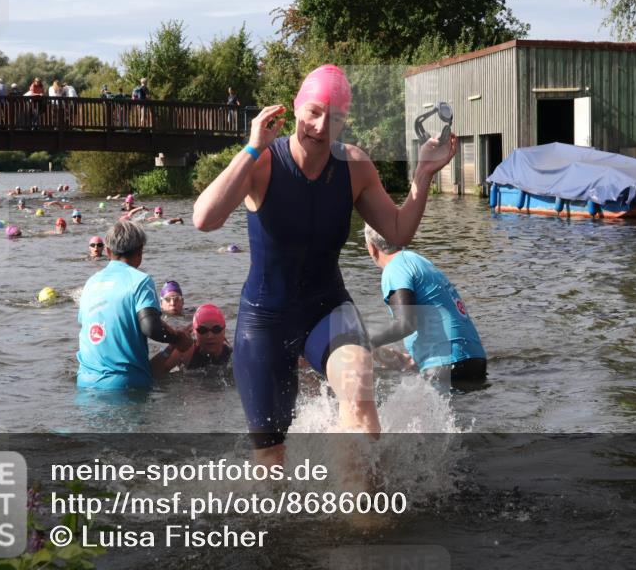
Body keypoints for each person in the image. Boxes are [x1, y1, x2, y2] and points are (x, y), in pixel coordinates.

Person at [193, 63, 456, 464]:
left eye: (333, 118)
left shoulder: (354, 167)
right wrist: (251, 148)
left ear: (344, 121)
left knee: (359, 389)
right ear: (295, 108)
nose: (320, 126)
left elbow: (398, 232)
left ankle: (365, 510)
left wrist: (422, 173)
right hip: (265, 319)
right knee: (271, 458)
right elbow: (204, 219)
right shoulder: (262, 163)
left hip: (327, 308)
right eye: (313, 112)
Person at [363, 223, 487, 384]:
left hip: (446, 365)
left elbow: (406, 324)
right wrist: (414, 359)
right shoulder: (418, 260)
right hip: (476, 361)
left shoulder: (394, 269)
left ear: (371, 248)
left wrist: (365, 341)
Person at [76, 221, 192, 390]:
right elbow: (151, 327)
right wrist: (178, 338)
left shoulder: (91, 282)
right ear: (140, 252)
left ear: (107, 252)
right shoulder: (140, 280)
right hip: (125, 385)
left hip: (85, 382)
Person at [150, 304, 232, 375]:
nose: (209, 336)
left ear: (224, 331)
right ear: (194, 332)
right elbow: (152, 373)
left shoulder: (233, 354)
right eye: (202, 330)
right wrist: (172, 345)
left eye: (216, 329)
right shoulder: (186, 351)